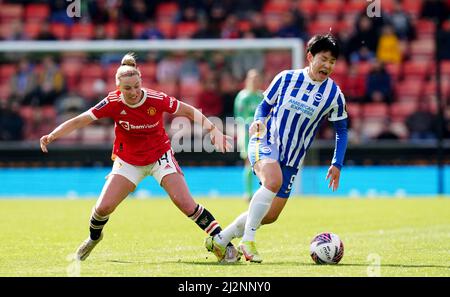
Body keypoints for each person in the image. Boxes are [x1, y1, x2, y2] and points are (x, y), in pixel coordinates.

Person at [39, 53, 239, 263]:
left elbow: (187, 110)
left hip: (160, 157)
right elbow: (81, 120)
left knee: (185, 203)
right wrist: (53, 135)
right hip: (128, 161)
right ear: (119, 88)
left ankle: (225, 244)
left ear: (141, 82)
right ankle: (93, 238)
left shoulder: (155, 99)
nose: (134, 92)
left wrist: (213, 129)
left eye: (136, 86)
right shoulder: (112, 102)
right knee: (102, 209)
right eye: (128, 88)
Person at [205, 34, 348, 263]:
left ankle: (220, 240)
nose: (328, 65)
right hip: (265, 140)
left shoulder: (334, 95)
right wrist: (259, 120)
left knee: (269, 215)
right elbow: (264, 105)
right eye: (324, 59)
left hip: (292, 158)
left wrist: (336, 163)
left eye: (332, 62)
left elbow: (341, 130)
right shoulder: (286, 79)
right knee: (273, 180)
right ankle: (248, 241)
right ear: (310, 57)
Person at [234, 69, 264, 201]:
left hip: (262, 134)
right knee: (249, 161)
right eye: (252, 78)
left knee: (263, 161)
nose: (255, 81)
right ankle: (248, 193)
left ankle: (262, 191)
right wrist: (249, 123)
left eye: (257, 78)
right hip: (247, 134)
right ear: (248, 80)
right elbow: (238, 116)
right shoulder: (243, 96)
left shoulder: (261, 96)